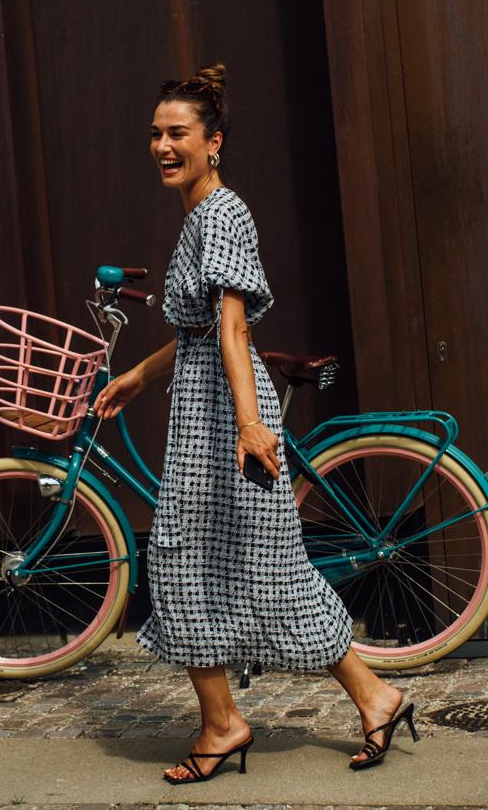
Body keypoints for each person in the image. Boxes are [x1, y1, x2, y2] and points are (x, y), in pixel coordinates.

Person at [91, 63, 416, 784]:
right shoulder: (201, 216)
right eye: (154, 134)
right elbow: (203, 330)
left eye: (177, 134)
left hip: (227, 416)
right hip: (204, 411)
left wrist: (247, 424)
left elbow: (234, 330)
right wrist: (140, 376)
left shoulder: (224, 214)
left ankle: (353, 698)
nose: (162, 146)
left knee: (262, 568)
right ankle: (246, 717)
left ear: (214, 143)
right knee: (194, 563)